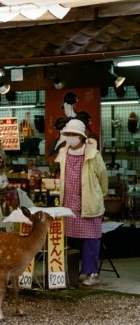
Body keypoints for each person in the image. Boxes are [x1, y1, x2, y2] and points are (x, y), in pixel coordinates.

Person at [56, 118, 108, 287]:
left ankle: (91, 273)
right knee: (67, 239)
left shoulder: (93, 154)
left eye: (73, 134)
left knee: (91, 239)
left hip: (89, 202)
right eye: (68, 134)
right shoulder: (63, 152)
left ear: (81, 136)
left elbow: (103, 178)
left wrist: (98, 195)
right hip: (68, 202)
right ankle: (69, 272)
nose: (70, 137)